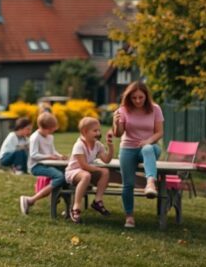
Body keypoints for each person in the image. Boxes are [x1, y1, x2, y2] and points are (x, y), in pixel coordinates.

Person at [112, 81, 164, 228]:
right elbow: (118, 134)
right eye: (134, 98)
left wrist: (148, 141)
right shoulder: (123, 110)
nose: (138, 101)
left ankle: (150, 184)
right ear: (129, 97)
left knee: (147, 149)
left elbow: (159, 132)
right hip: (128, 148)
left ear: (146, 96)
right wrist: (116, 123)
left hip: (151, 147)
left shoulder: (155, 109)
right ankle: (129, 217)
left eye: (141, 97)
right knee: (127, 184)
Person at [64, 117, 113, 223]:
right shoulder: (79, 145)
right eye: (95, 131)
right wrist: (97, 169)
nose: (98, 133)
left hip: (87, 171)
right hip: (74, 172)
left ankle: (97, 201)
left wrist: (110, 147)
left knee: (106, 172)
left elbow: (107, 160)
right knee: (86, 175)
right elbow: (83, 165)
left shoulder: (97, 145)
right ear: (84, 132)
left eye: (99, 130)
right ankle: (76, 207)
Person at [19, 112, 67, 215]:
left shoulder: (50, 137)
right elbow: (33, 155)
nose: (52, 132)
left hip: (48, 164)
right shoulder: (35, 137)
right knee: (59, 177)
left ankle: (67, 207)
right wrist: (48, 156)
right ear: (44, 128)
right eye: (51, 130)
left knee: (66, 174)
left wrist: (59, 156)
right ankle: (30, 200)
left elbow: (52, 151)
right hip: (36, 166)